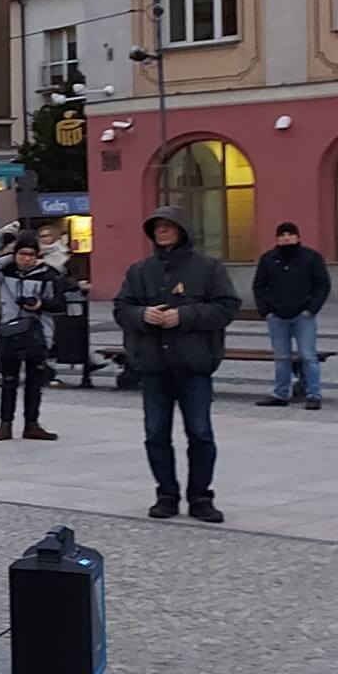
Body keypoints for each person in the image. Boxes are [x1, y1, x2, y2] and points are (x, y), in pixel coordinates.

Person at [113, 205, 241, 524]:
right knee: (156, 433)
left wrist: (185, 316)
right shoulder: (140, 270)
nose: (162, 231)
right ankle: (166, 494)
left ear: (182, 229)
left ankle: (200, 497)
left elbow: (226, 307)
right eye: (157, 227)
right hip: (154, 366)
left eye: (168, 226)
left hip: (193, 364)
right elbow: (121, 308)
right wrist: (142, 316)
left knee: (200, 433)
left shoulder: (208, 268)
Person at [0, 232, 73, 442]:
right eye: (22, 253)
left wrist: (40, 305)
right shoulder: (5, 274)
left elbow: (60, 305)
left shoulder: (48, 275)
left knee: (34, 382)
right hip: (9, 333)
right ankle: (5, 424)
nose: (26, 258)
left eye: (31, 254)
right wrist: (9, 256)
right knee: (8, 380)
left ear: (37, 255)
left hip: (38, 334)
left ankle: (32, 424)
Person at [251, 221, 331, 410]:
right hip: (277, 317)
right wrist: (266, 311)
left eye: (290, 234)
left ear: (298, 237)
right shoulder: (269, 259)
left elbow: (322, 285)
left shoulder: (311, 257)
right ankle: (280, 394)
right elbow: (259, 286)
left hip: (304, 316)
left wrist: (311, 309)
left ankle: (313, 395)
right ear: (277, 238)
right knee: (281, 357)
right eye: (282, 235)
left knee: (308, 356)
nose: (286, 238)